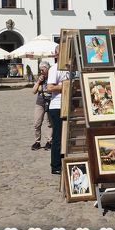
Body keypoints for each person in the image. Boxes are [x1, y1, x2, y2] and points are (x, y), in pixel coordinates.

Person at [47, 45, 70, 175]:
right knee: (58, 137)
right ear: (56, 55)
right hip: (57, 106)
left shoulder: (73, 68)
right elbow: (50, 88)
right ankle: (55, 165)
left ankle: (66, 161)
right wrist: (65, 86)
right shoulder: (54, 69)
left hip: (71, 105)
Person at [31, 61, 52, 151]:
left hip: (51, 101)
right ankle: (37, 142)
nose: (42, 71)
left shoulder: (52, 77)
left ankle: (49, 141)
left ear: (48, 69)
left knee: (50, 123)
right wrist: (39, 81)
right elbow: (33, 91)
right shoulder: (40, 78)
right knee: (37, 122)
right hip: (40, 101)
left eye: (43, 69)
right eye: (40, 69)